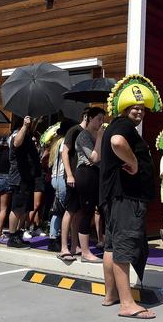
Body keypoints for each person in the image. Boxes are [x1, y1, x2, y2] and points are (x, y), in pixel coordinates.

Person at [100, 74, 162, 319]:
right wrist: (135, 162)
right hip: (127, 197)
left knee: (113, 247)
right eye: (134, 107)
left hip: (115, 197)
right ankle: (127, 304)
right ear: (124, 108)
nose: (139, 111)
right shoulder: (123, 127)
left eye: (142, 108)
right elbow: (117, 143)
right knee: (124, 248)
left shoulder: (114, 125)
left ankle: (111, 295)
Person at [74, 107, 106, 263]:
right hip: (86, 173)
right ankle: (85, 252)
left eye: (103, 119)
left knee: (103, 209)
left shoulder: (100, 134)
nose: (101, 122)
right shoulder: (83, 135)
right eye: (98, 118)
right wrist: (100, 137)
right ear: (89, 118)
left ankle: (105, 243)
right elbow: (93, 157)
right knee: (86, 212)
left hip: (98, 175)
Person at [58, 109, 89, 261]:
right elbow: (64, 152)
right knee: (70, 211)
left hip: (83, 177)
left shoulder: (90, 133)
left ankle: (74, 246)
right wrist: (69, 174)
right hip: (72, 176)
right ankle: (64, 247)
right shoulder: (74, 130)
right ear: (86, 117)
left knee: (79, 212)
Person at [7, 115, 40, 248]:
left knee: (25, 209)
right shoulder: (17, 133)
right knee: (17, 208)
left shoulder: (30, 136)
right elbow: (16, 143)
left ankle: (18, 234)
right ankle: (12, 235)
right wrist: (24, 126)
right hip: (19, 177)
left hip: (29, 177)